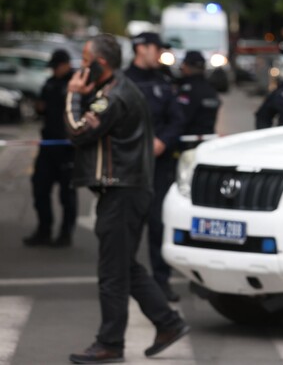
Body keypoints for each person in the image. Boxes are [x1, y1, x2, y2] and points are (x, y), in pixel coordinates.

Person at [65, 33, 189, 364]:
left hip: (123, 190)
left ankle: (110, 343)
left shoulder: (113, 96)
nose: (81, 68)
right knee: (124, 266)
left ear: (100, 64)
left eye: (86, 62)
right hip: (127, 188)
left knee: (112, 272)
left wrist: (73, 95)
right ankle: (168, 323)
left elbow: (78, 130)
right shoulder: (115, 89)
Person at [124, 32, 184, 302]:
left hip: (159, 166)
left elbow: (177, 120)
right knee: (128, 226)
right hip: (130, 167)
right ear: (141, 49)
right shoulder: (123, 82)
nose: (160, 54)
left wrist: (163, 141)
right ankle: (126, 279)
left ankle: (161, 281)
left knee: (158, 224)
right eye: (156, 49)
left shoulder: (163, 82)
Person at [23, 49, 77, 247]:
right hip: (48, 144)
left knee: (67, 195)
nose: (54, 70)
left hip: (67, 148)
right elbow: (42, 107)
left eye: (57, 67)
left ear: (66, 64)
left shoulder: (76, 83)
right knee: (40, 188)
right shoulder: (50, 83)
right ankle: (43, 230)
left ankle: (65, 234)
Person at [177, 50, 221, 151]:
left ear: (187, 66)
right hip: (208, 141)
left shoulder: (187, 89)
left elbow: (181, 117)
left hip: (186, 142)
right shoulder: (210, 88)